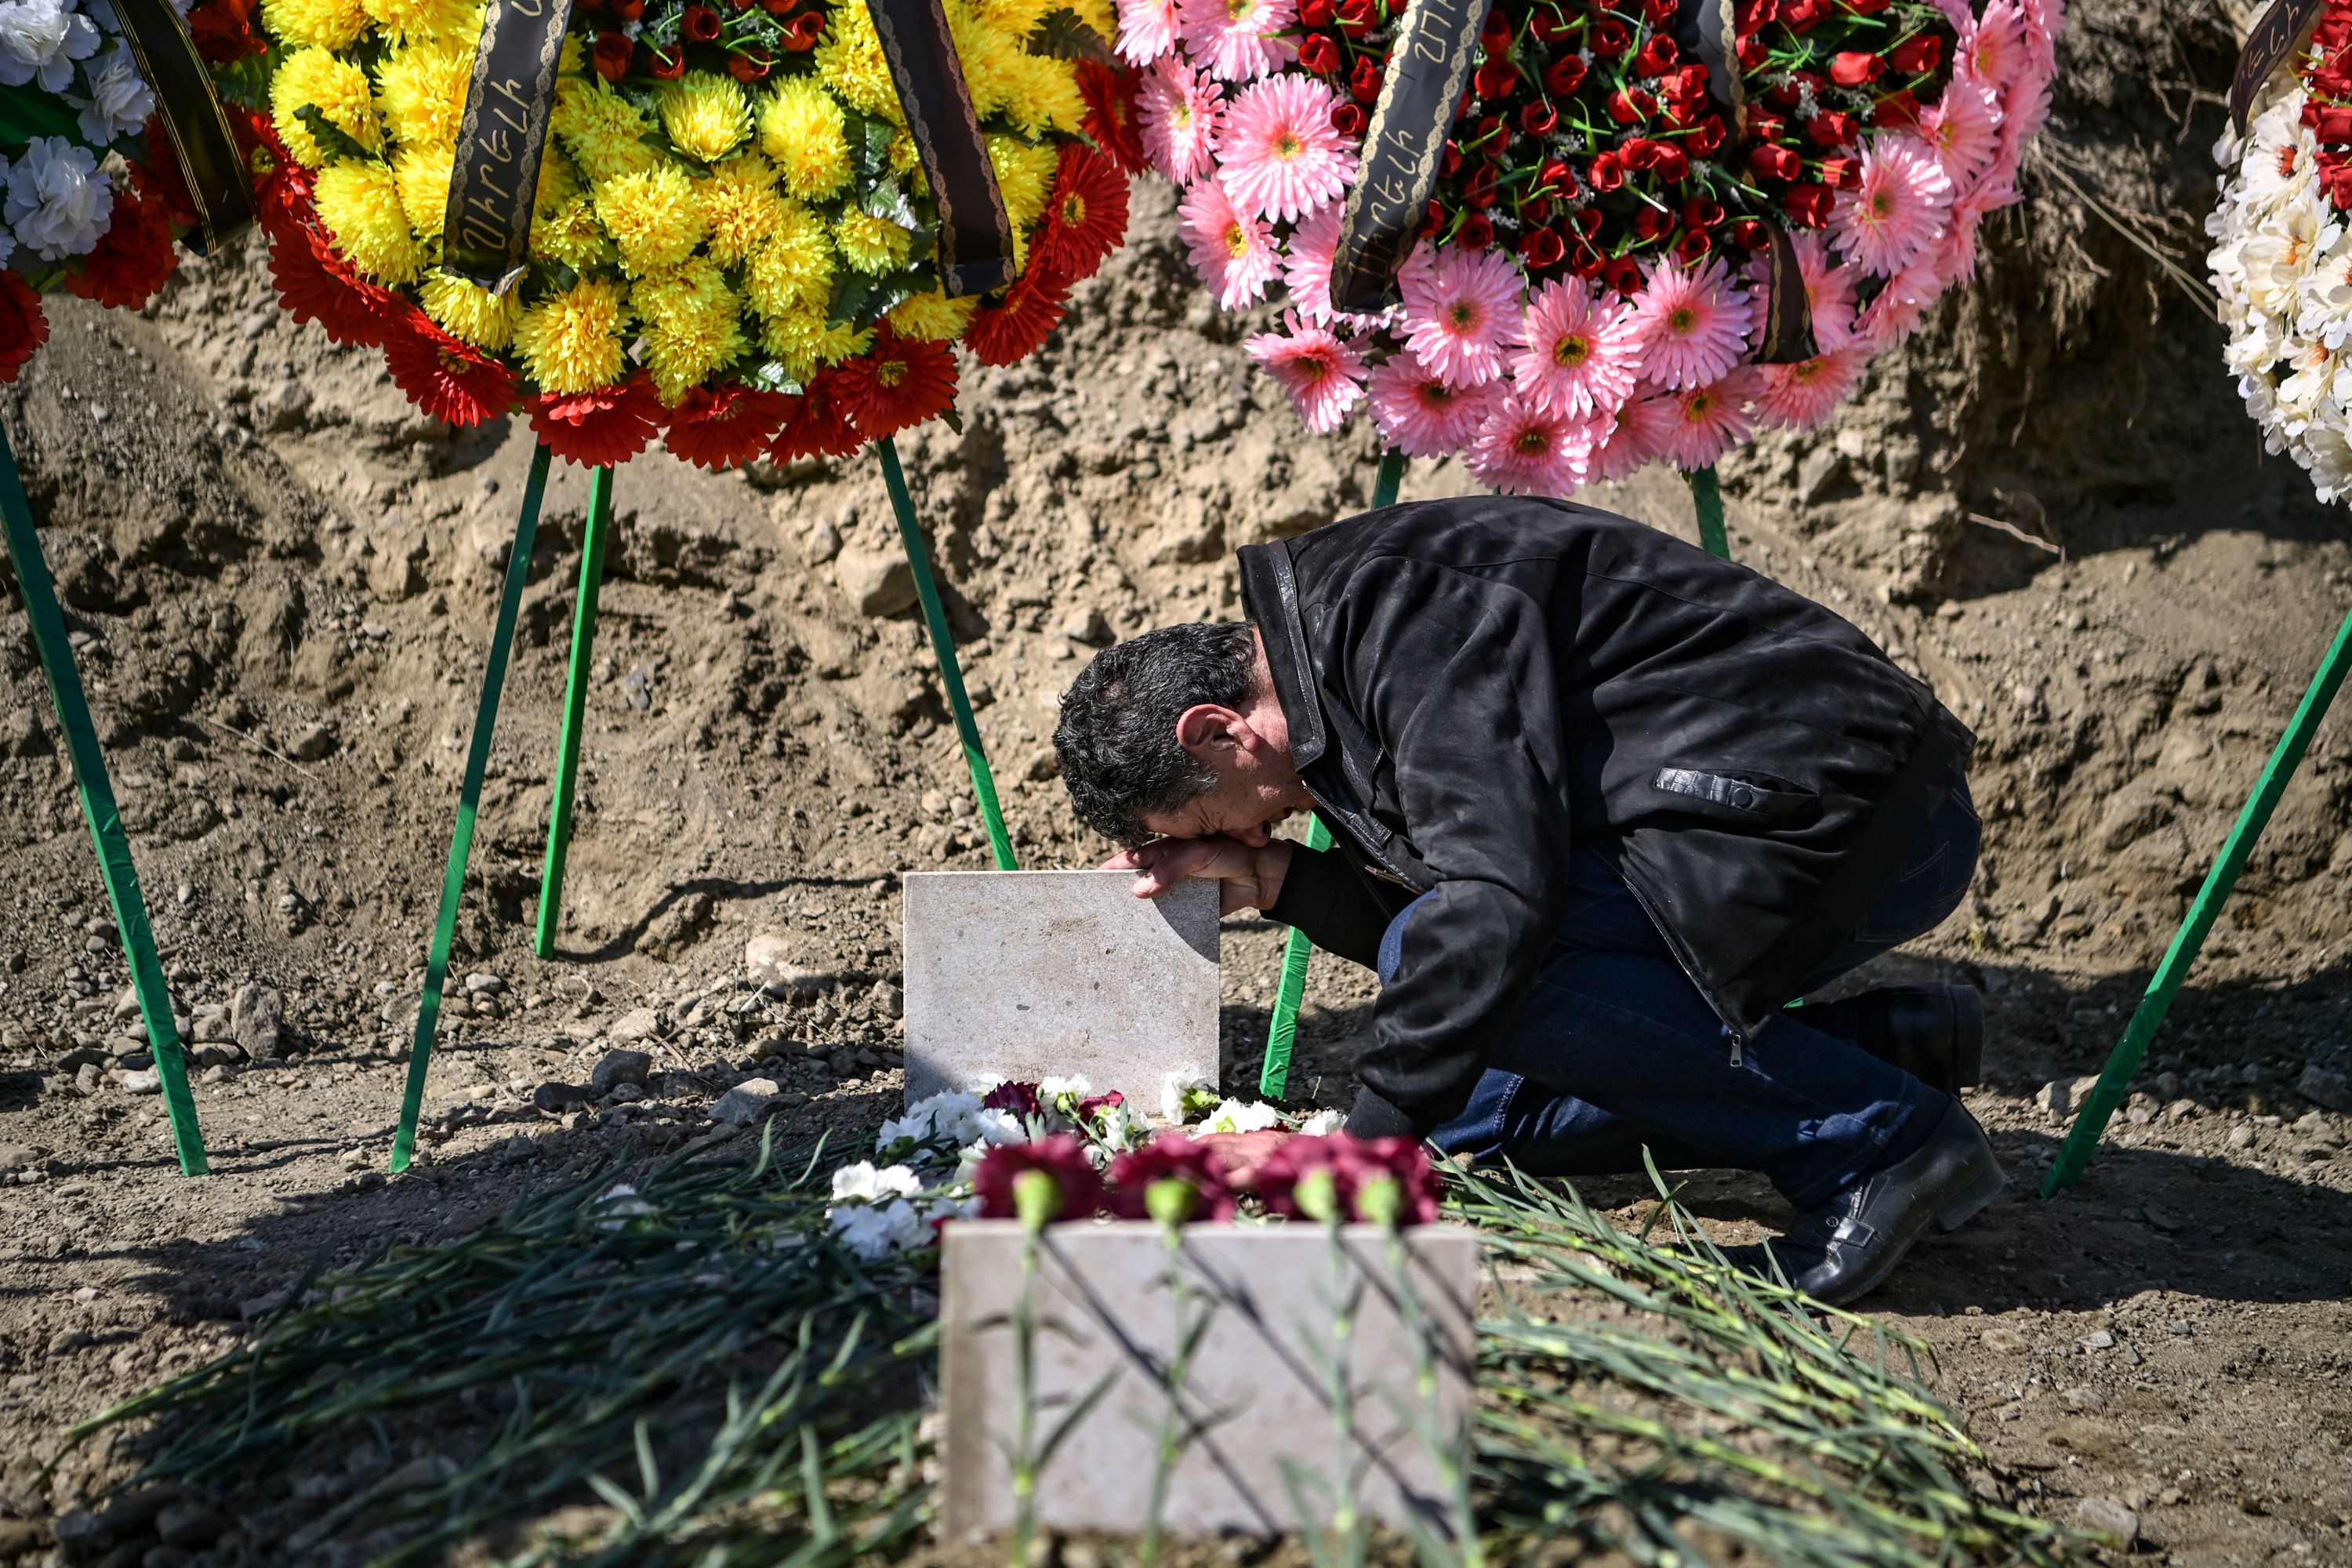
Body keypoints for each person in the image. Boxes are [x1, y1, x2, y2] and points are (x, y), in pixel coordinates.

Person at [1050, 495, 2002, 1305]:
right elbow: (1483, 894)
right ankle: (1879, 1045)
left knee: (1462, 980)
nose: (1236, 834)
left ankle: (1875, 1140)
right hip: (1750, 829)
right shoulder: (1326, 667)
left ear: (1217, 731)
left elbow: (1495, 907)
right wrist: (1279, 882)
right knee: (1481, 1119)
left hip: (1854, 820)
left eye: (1204, 815)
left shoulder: (1396, 618)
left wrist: (1361, 1151)